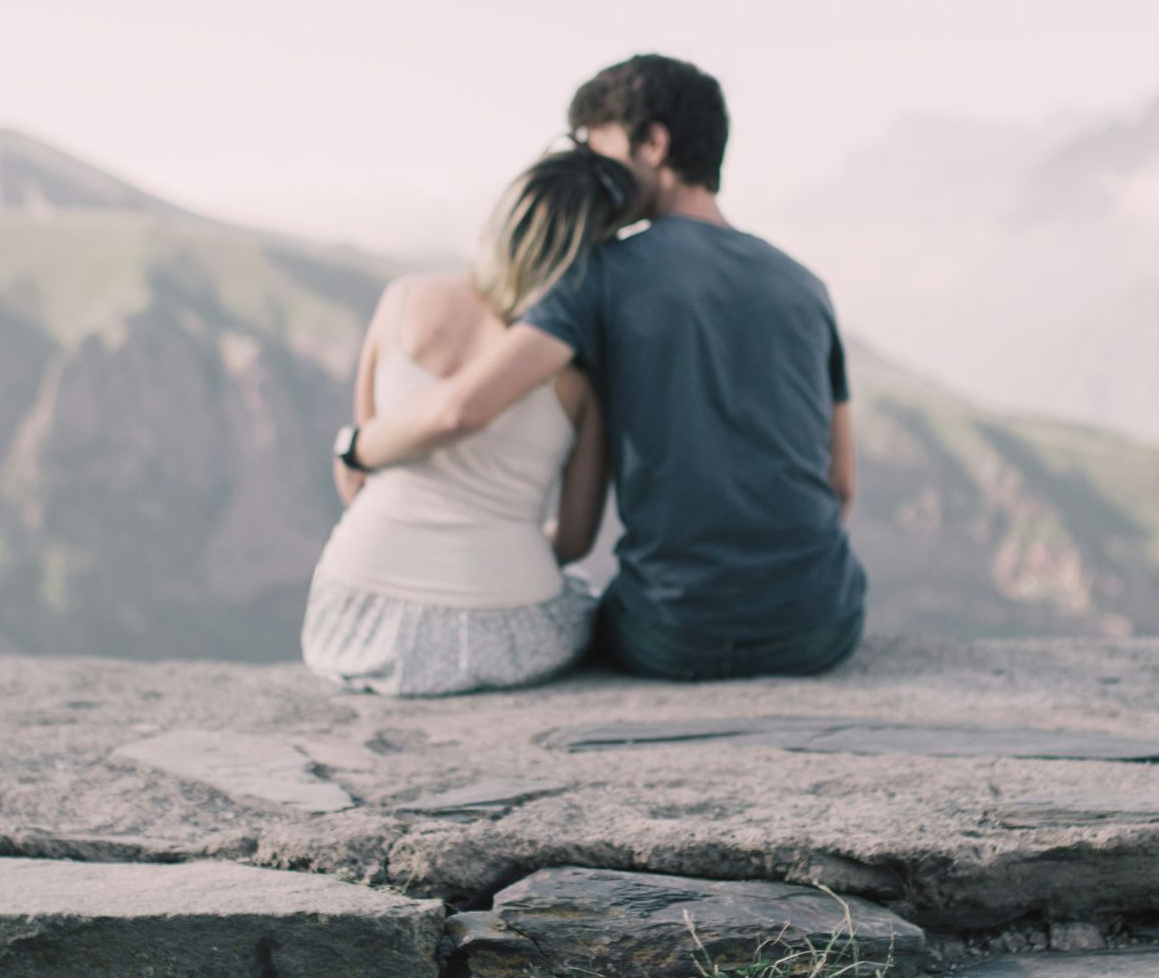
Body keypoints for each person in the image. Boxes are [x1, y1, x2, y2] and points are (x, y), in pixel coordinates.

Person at [342, 54, 866, 680]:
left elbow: (468, 404)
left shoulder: (601, 274)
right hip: (823, 627)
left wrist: (358, 446)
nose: (591, 173)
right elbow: (842, 485)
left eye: (598, 150)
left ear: (653, 143)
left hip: (674, 637)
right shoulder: (806, 287)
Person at [301, 150, 638, 695]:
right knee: (582, 596)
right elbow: (575, 539)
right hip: (504, 631)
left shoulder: (402, 300)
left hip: (352, 617)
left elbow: (356, 479)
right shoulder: (581, 373)